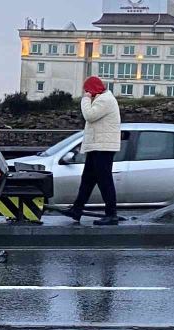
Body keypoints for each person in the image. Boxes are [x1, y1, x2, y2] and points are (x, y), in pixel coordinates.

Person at [62, 76, 122, 226]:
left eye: (88, 90)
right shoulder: (102, 99)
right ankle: (77, 209)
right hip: (97, 147)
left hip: (103, 148)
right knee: (87, 179)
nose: (86, 93)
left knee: (104, 181)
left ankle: (111, 214)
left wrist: (85, 99)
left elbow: (89, 115)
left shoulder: (105, 100)